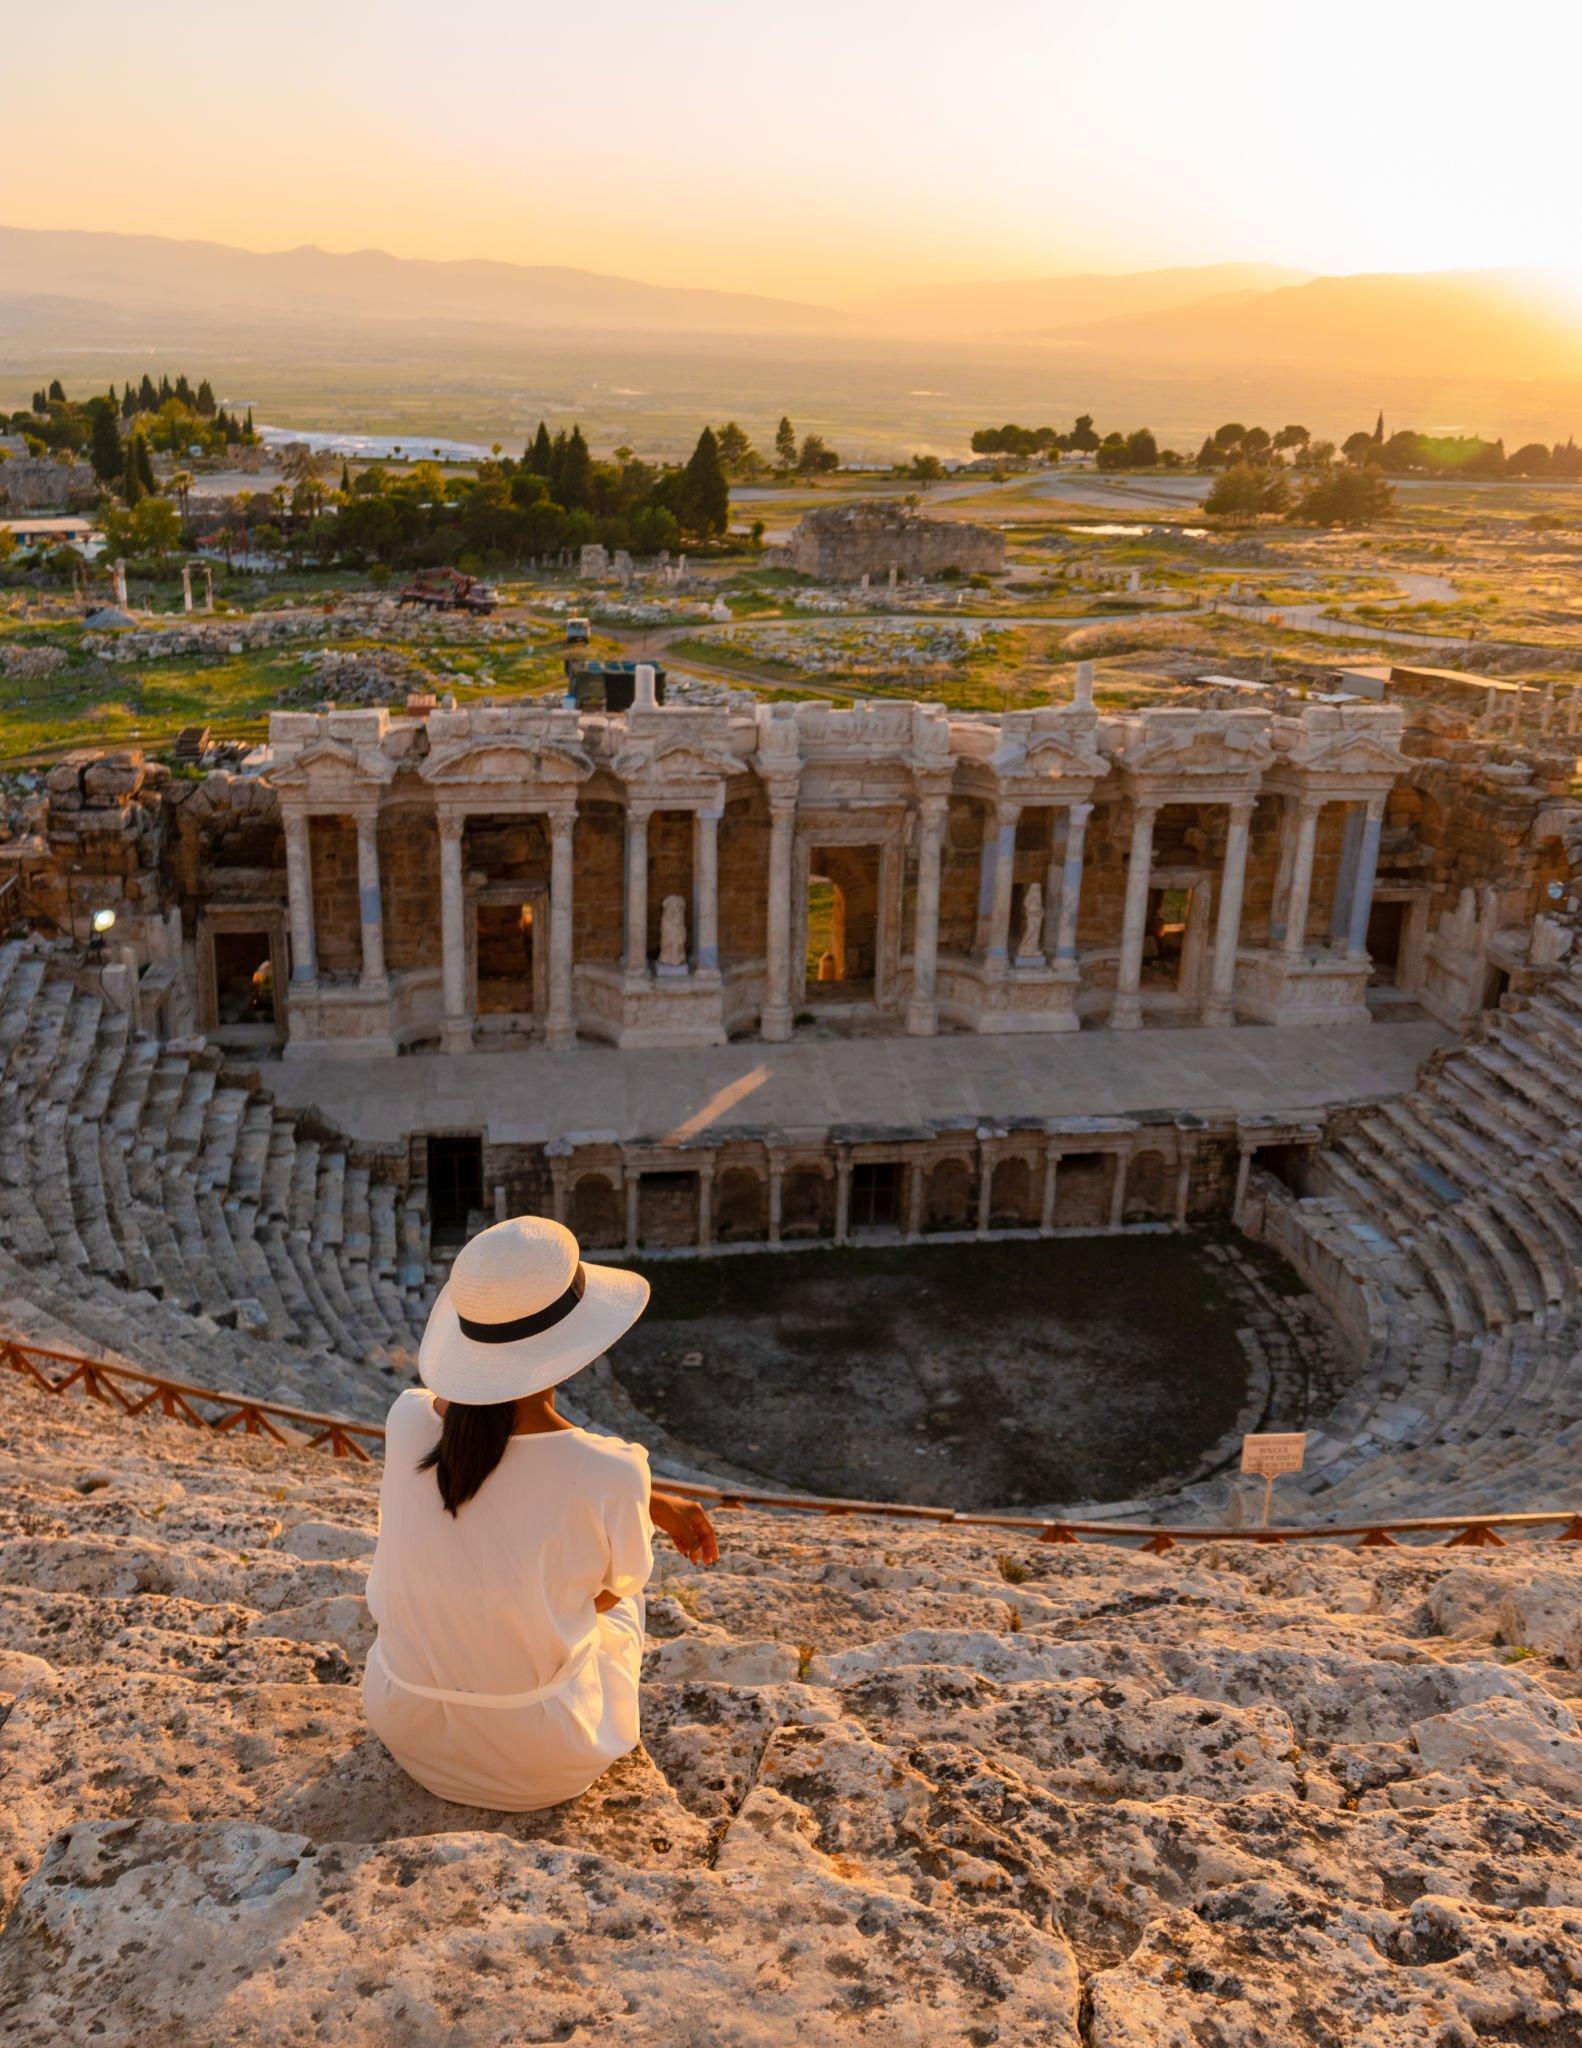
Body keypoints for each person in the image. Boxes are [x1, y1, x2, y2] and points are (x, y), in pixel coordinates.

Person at [363, 1213, 718, 1811]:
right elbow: (603, 1596)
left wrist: (647, 1497)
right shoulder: (611, 1469)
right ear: (571, 1347)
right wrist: (636, 1496)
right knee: (627, 1594)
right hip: (540, 1758)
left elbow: (497, 1465)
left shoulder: (405, 1419)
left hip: (407, 1725)